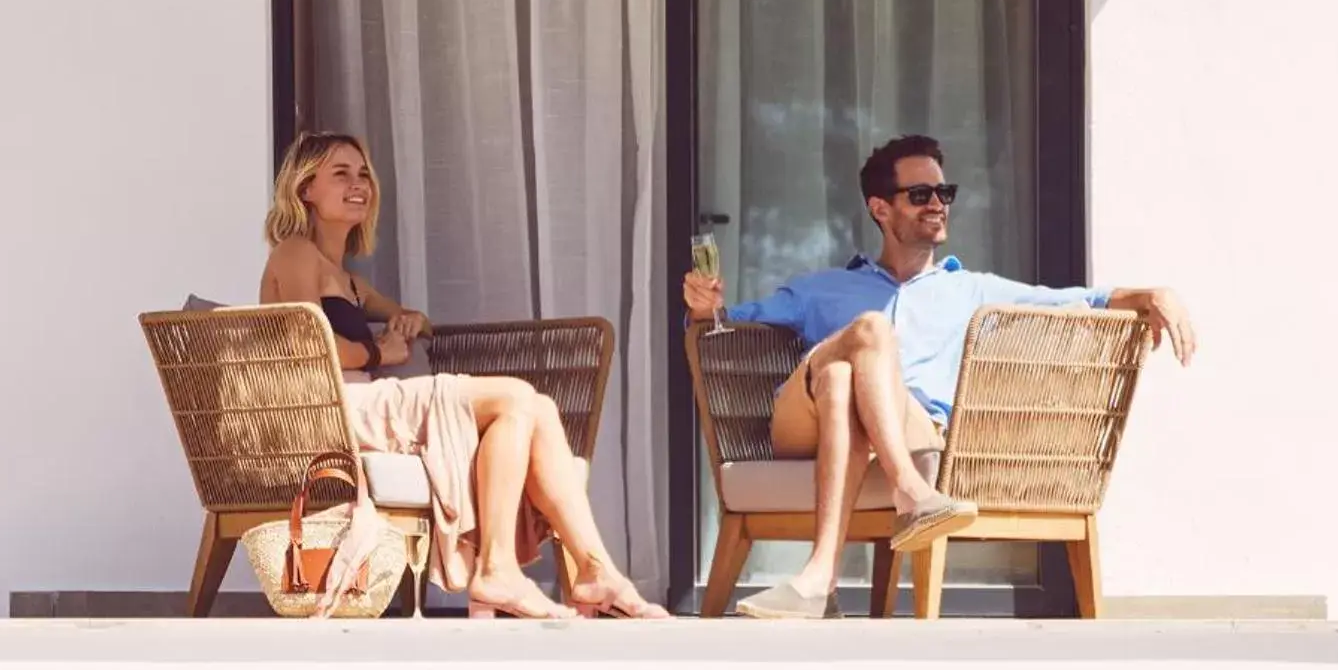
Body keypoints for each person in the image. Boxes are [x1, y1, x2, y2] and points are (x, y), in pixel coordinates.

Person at [682, 134, 1198, 620]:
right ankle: (912, 490)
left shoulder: (972, 289)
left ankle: (820, 580)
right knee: (869, 331)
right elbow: (726, 327)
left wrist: (1150, 293)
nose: (938, 204)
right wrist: (704, 310)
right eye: (921, 193)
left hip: (910, 424)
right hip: (800, 426)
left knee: (843, 379)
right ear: (880, 209)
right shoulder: (822, 288)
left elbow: (1075, 298)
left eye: (943, 192)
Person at [261, 131, 667, 620]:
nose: (358, 183)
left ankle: (595, 569)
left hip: (372, 400)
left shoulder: (348, 278)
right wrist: (375, 351)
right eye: (340, 173)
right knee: (516, 397)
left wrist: (409, 322)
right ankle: (498, 571)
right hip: (332, 408)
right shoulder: (294, 252)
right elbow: (306, 345)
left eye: (363, 173)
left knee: (538, 407)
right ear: (305, 190)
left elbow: (417, 321)